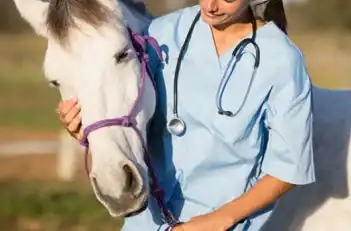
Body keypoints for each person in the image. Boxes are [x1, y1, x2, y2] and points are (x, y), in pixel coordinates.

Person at [56, 0, 315, 230]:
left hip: (224, 223)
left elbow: (288, 168)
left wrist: (218, 221)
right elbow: (124, 108)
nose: (211, 6)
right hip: (146, 222)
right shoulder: (160, 33)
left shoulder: (282, 60)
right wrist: (87, 127)